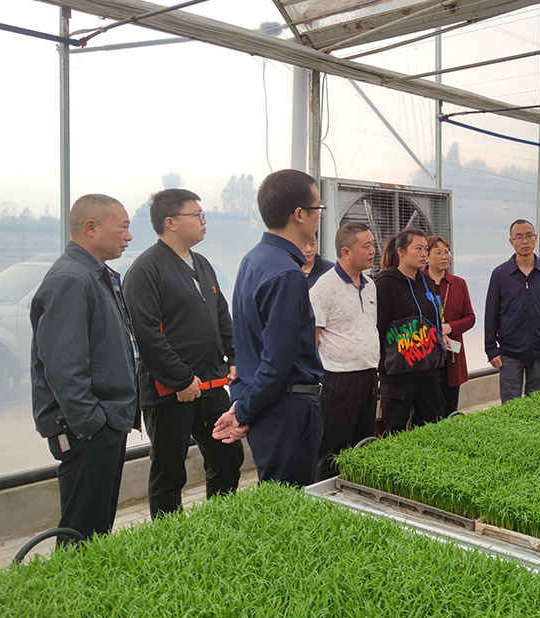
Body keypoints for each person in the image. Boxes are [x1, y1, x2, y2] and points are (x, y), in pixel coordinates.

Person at [123, 189, 243, 519]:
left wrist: (234, 357)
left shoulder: (201, 264)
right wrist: (181, 379)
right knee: (169, 472)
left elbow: (221, 315)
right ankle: (170, 538)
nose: (204, 221)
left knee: (227, 456)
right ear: (170, 222)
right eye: (197, 215)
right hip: (169, 392)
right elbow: (147, 335)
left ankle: (221, 524)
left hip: (210, 385)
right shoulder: (146, 270)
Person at [30, 194, 138, 543]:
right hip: (88, 429)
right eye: (122, 227)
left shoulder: (94, 275)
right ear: (91, 227)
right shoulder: (71, 279)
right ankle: (71, 579)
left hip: (103, 422)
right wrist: (91, 424)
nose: (128, 236)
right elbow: (64, 365)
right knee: (82, 532)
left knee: (96, 528)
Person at [212, 169, 325, 485]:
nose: (320, 215)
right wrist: (243, 410)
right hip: (287, 409)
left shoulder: (254, 260)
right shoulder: (286, 273)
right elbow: (278, 359)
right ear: (299, 214)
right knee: (291, 500)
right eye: (318, 208)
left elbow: (249, 346)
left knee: (276, 495)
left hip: (267, 406)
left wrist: (242, 405)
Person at [309, 222, 380, 479]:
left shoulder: (370, 284)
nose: (373, 251)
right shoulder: (324, 288)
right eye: (366, 246)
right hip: (339, 379)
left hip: (368, 375)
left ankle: (358, 490)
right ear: (346, 252)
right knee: (335, 447)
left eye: (373, 245)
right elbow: (313, 339)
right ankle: (326, 492)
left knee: (364, 443)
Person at [485, 219, 540, 403]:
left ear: (536, 238)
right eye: (519, 237)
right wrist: (491, 349)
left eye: (529, 236)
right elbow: (491, 314)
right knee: (510, 406)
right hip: (509, 352)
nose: (525, 241)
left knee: (536, 404)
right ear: (511, 241)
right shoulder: (500, 274)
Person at [375, 228, 446, 433]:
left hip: (429, 371)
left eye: (426, 249)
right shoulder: (385, 284)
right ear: (401, 251)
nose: (424, 254)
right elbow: (378, 330)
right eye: (418, 249)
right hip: (397, 374)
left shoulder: (426, 282)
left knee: (433, 426)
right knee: (395, 431)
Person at [425, 235, 475, 416]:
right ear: (426, 256)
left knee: (450, 408)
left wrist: (450, 328)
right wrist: (435, 331)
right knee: (424, 411)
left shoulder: (458, 284)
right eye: (438, 252)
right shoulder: (417, 282)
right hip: (424, 355)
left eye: (447, 252)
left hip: (452, 355)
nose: (444, 256)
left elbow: (470, 318)